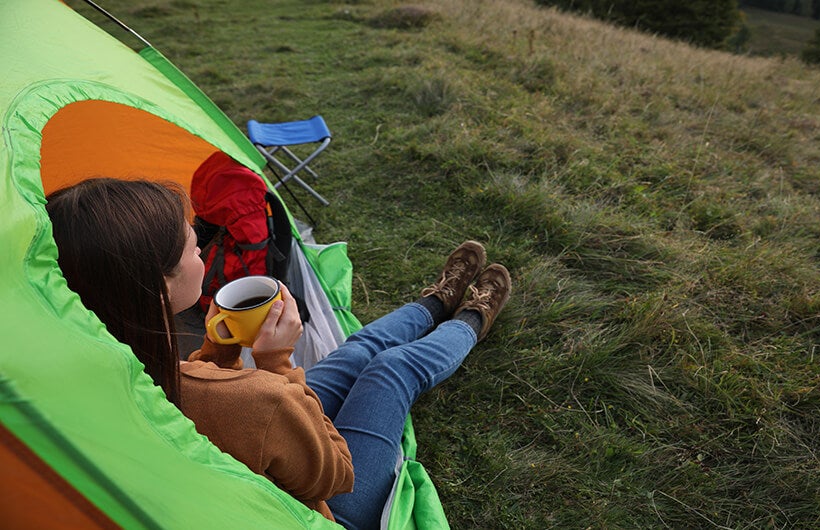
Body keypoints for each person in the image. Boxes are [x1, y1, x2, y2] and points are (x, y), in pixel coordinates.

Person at [45, 177, 512, 530]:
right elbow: (335, 473)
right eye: (192, 247)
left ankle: (435, 301)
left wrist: (220, 351)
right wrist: (277, 365)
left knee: (356, 352)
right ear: (157, 284)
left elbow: (195, 406)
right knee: (390, 370)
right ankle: (472, 318)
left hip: (250, 444)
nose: (203, 253)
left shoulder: (88, 361)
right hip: (322, 509)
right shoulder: (258, 398)